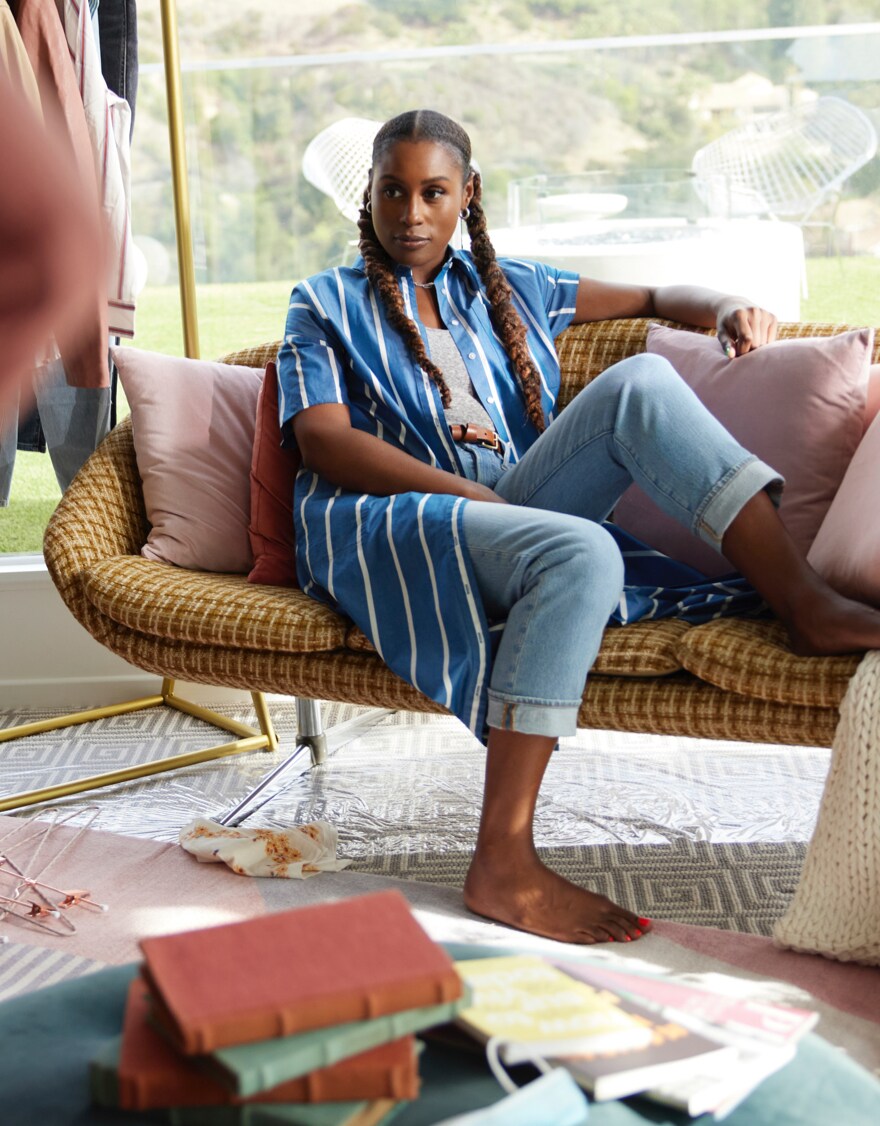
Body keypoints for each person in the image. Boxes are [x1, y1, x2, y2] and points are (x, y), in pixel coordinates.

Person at [278, 109, 880, 946]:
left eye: (433, 192)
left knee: (642, 382)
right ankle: (503, 861)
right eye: (392, 191)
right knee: (583, 550)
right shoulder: (323, 303)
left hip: (511, 504)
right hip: (403, 520)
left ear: (467, 195)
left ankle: (803, 602)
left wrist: (728, 304)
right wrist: (470, 497)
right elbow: (323, 441)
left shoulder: (508, 286)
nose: (411, 213)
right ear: (369, 195)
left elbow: (656, 297)